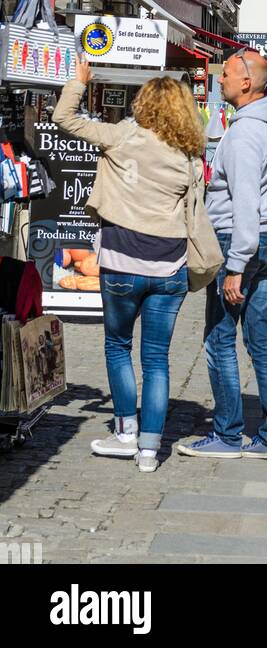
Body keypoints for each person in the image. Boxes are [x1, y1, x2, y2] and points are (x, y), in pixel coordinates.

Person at [53, 59, 203, 473]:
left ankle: (126, 433)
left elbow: (64, 119)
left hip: (121, 260)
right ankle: (151, 450)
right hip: (170, 264)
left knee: (118, 346)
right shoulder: (189, 153)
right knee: (157, 358)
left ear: (144, 105)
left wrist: (79, 82)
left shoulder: (122, 136)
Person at [177, 50, 267, 460]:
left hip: (241, 242)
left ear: (247, 83)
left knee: (220, 338)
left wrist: (236, 266)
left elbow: (245, 206)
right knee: (262, 340)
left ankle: (226, 434)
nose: (218, 80)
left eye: (224, 74)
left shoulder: (243, 136)